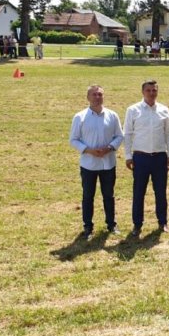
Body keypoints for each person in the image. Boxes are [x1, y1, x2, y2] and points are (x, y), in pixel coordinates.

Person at [69, 85, 124, 237]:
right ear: (88, 97)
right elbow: (73, 139)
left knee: (109, 195)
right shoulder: (80, 117)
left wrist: (109, 148)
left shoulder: (112, 116)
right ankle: (88, 227)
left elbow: (120, 136)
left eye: (100, 94)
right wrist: (88, 150)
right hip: (88, 164)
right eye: (94, 94)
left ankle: (111, 224)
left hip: (108, 163)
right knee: (88, 196)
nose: (97, 97)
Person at [123, 80, 169, 236]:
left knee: (161, 192)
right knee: (139, 192)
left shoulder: (164, 110)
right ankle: (137, 224)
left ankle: (163, 222)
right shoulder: (133, 110)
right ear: (143, 92)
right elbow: (128, 134)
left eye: (154, 90)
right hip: (140, 157)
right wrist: (128, 155)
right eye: (148, 90)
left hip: (159, 157)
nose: (152, 93)